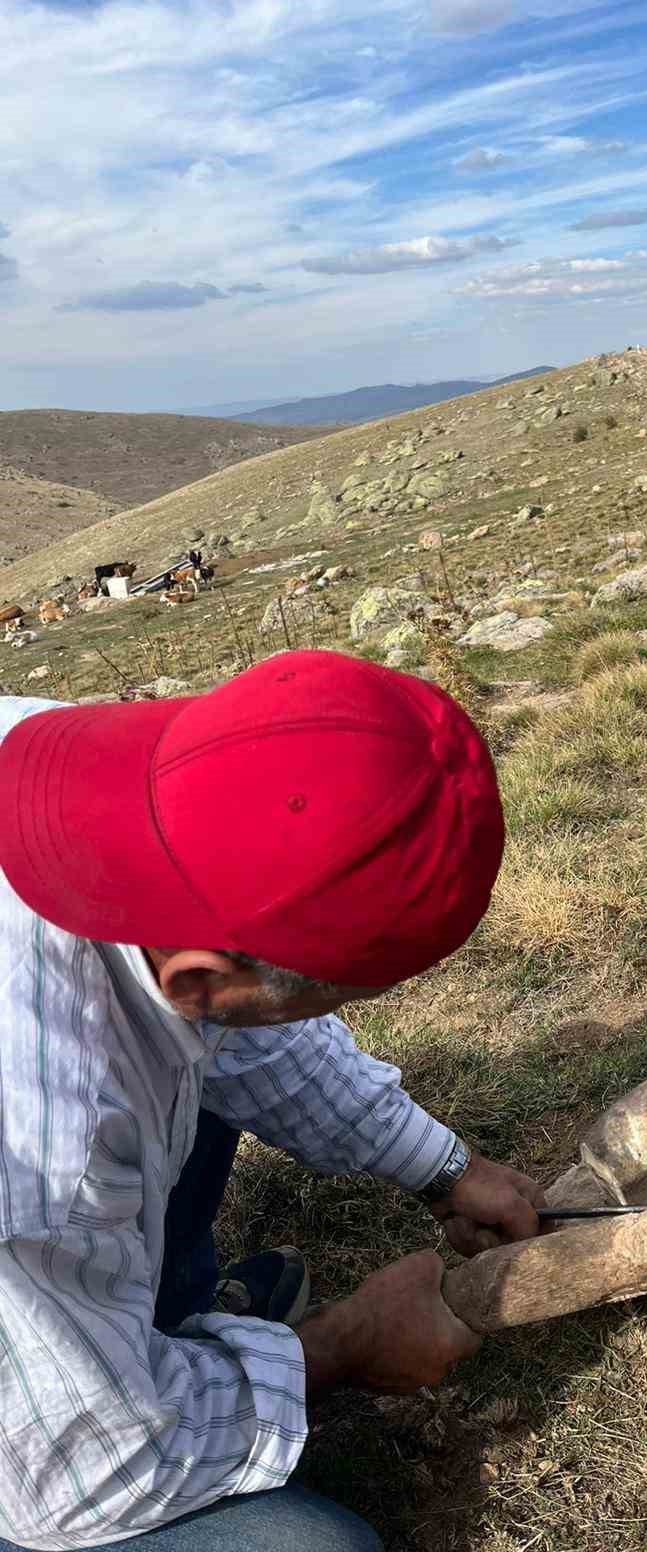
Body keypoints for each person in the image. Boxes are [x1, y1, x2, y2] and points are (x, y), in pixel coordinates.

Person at [0, 651, 545, 1551]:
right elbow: (74, 1478)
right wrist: (338, 1347)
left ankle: (146, 1327)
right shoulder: (44, 1142)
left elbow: (245, 1023)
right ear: (202, 976)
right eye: (332, 995)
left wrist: (445, 1169)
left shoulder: (92, 772)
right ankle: (121, 1348)